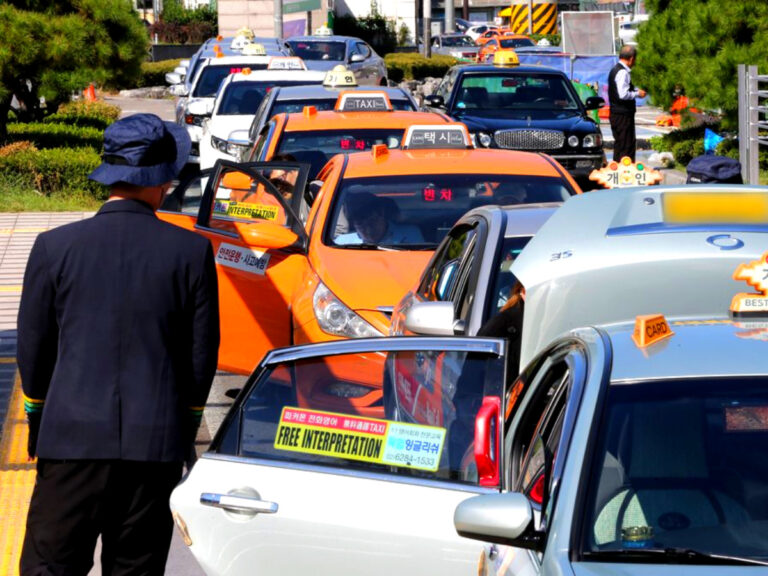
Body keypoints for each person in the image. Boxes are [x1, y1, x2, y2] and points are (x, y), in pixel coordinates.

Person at [18, 113, 220, 576]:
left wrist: (37, 419)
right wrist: (184, 429)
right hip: (154, 447)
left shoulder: (54, 247)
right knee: (136, 568)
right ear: (163, 180)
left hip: (69, 443)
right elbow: (200, 357)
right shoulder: (190, 252)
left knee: (50, 566)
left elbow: (33, 350)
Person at [335, 192, 425, 246]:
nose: (369, 230)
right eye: (360, 225)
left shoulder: (411, 235)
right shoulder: (342, 243)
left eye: (372, 222)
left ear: (382, 215)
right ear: (354, 225)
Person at [608, 45, 647, 162]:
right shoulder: (623, 72)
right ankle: (626, 174)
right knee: (626, 146)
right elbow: (623, 94)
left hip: (616, 113)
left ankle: (617, 172)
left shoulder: (614, 69)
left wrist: (635, 91)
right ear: (631, 58)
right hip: (623, 115)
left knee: (620, 145)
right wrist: (638, 93)